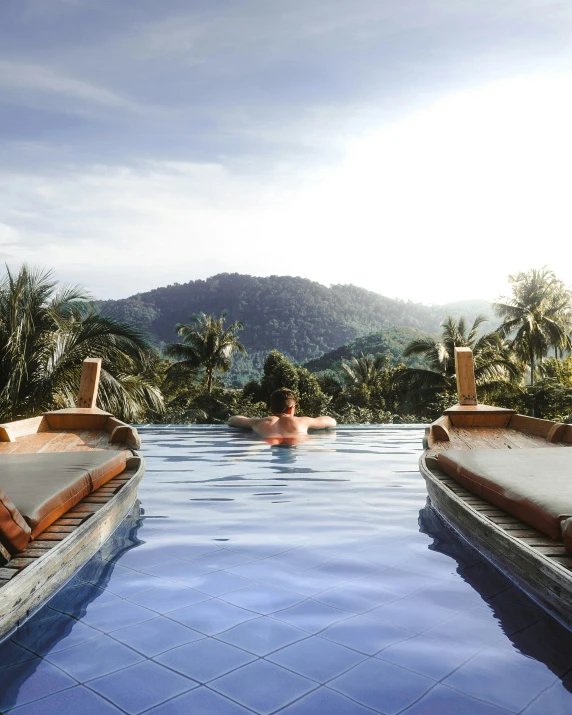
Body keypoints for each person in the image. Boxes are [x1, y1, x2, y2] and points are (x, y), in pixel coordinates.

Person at [227, 387, 336, 440]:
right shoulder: (302, 421)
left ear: (271, 409)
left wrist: (252, 420)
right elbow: (331, 421)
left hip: (268, 440)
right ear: (291, 408)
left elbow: (232, 420)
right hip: (297, 440)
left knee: (252, 450)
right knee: (321, 449)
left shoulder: (259, 422)